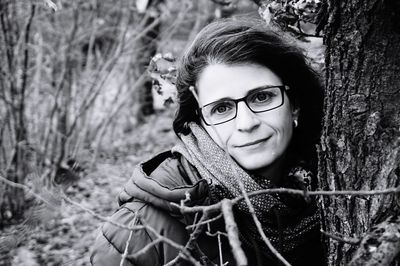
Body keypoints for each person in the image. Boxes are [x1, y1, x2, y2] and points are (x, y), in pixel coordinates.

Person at [91, 17, 325, 266]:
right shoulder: (137, 234)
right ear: (200, 121)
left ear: (295, 104)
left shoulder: (328, 194)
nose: (246, 123)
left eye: (262, 97)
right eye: (222, 109)